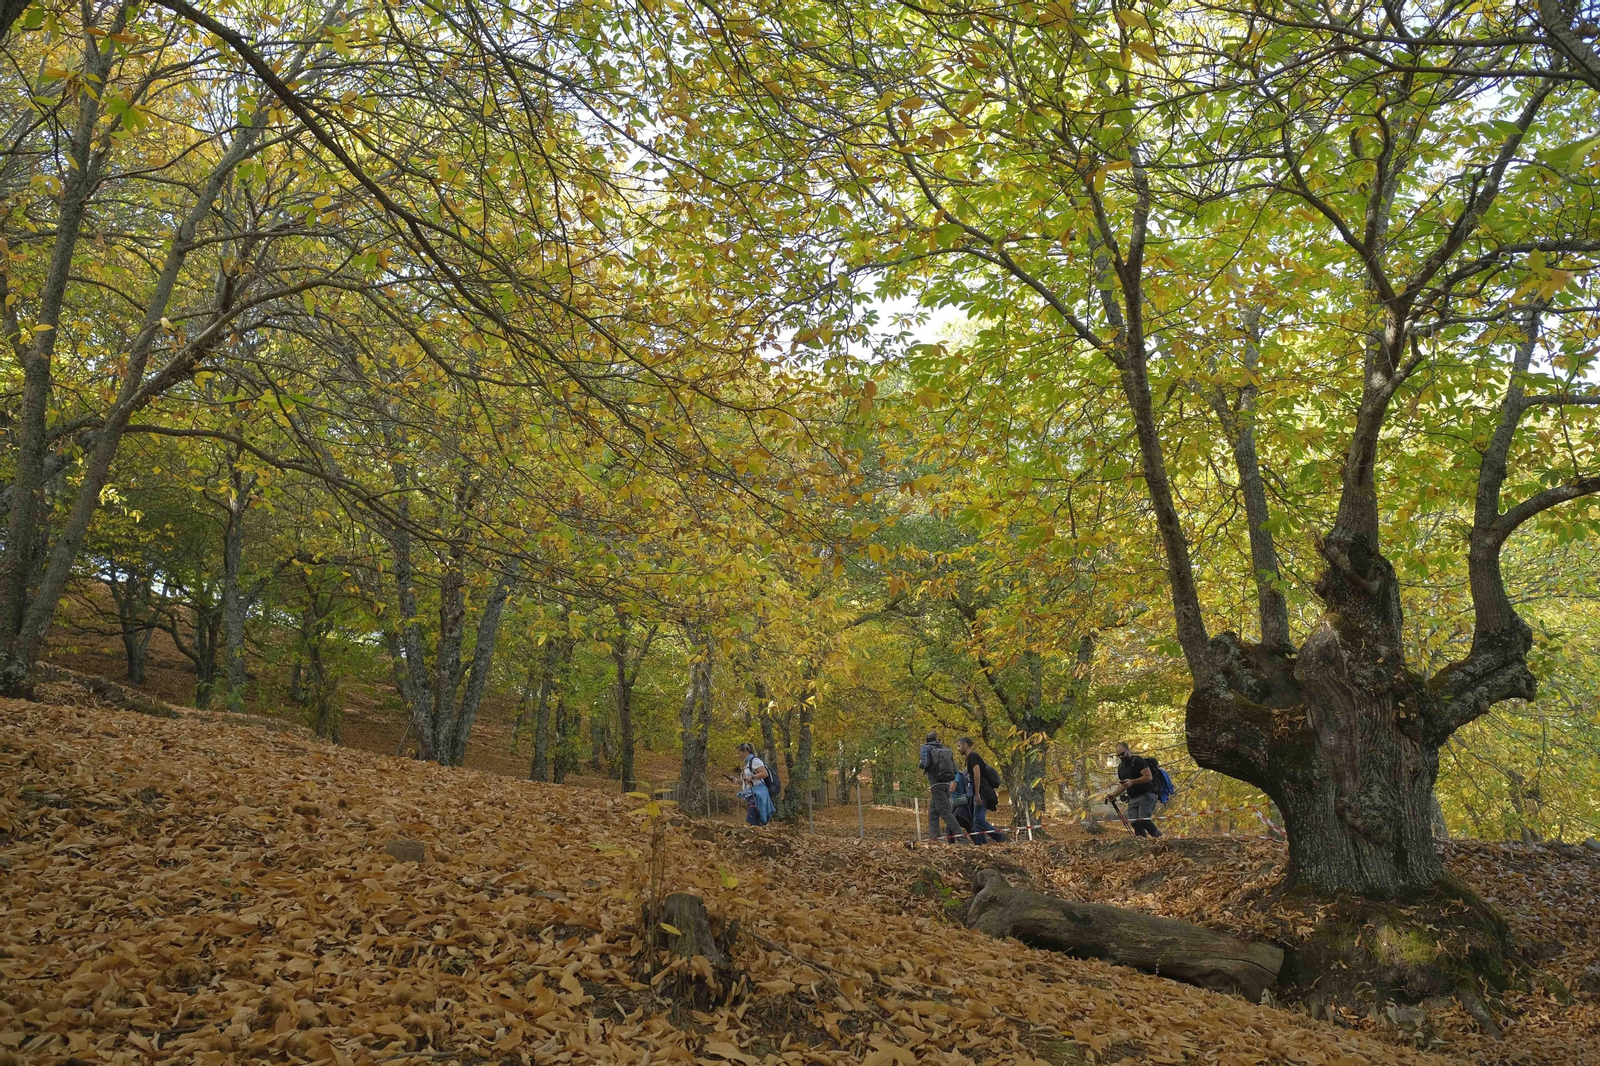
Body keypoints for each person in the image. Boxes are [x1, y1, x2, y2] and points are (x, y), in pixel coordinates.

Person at [1104, 740, 1162, 838]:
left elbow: (1148, 777)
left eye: (1122, 754)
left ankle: (1159, 837)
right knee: (1135, 822)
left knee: (1144, 820)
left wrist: (1132, 782)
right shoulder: (1121, 767)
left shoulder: (1138, 760)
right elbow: (1123, 784)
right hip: (1132, 798)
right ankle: (1141, 842)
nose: (1121, 757)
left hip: (1146, 794)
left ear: (1128, 750)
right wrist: (1113, 795)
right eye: (1119, 755)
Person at [917, 731, 967, 844]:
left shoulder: (926, 748)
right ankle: (935, 838)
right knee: (933, 812)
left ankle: (962, 839)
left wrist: (922, 764)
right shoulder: (945, 750)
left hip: (936, 784)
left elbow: (924, 764)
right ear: (937, 740)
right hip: (946, 783)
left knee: (945, 812)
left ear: (927, 740)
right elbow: (955, 770)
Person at [956, 736, 1007, 843]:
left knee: (978, 820)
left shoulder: (973, 756)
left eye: (959, 746)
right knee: (976, 822)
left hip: (981, 791)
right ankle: (981, 844)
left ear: (965, 745)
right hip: (979, 790)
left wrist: (977, 792)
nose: (958, 749)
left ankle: (1000, 837)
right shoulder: (971, 757)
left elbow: (977, 773)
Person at [732, 742, 775, 826]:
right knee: (754, 819)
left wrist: (752, 777)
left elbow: (764, 773)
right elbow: (746, 780)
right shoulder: (747, 764)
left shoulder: (755, 761)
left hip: (758, 794)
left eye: (739, 753)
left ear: (745, 751)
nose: (738, 756)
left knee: (753, 819)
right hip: (751, 794)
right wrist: (736, 780)